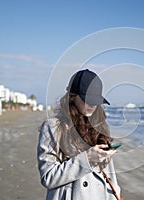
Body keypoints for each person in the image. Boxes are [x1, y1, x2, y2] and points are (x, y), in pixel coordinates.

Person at [37, 69, 121, 200]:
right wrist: (87, 158)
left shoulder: (99, 126)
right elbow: (48, 177)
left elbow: (111, 176)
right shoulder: (53, 127)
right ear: (72, 96)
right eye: (87, 99)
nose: (92, 104)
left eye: (96, 100)